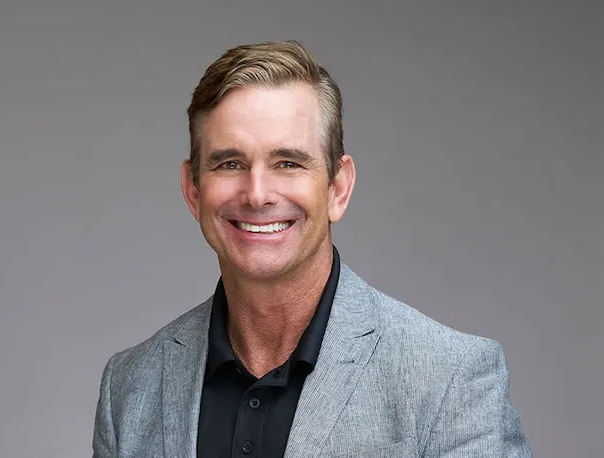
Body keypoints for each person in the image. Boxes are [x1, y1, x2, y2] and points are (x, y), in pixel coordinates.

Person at [92, 40, 531, 457]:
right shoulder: (129, 387)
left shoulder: (451, 379)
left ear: (338, 188)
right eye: (230, 163)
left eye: (288, 163)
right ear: (193, 191)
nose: (257, 194)